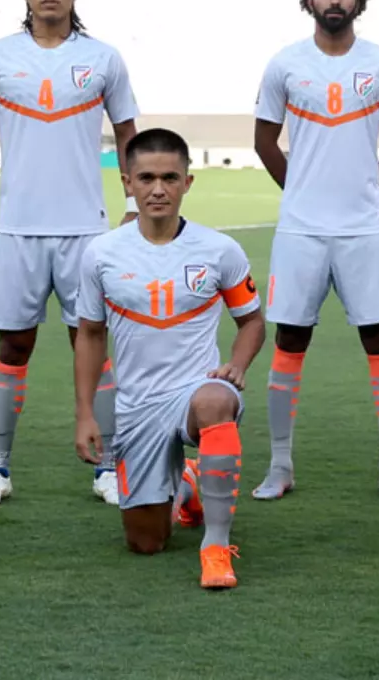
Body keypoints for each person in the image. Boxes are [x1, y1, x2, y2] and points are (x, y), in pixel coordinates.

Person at [0, 0, 139, 508]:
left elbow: (128, 133)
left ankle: (108, 467)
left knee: (91, 344)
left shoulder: (103, 58)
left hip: (87, 231)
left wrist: (133, 204)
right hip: (18, 229)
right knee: (13, 345)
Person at [252, 0, 379, 501]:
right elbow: (264, 140)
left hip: (364, 229)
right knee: (290, 338)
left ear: (359, 1)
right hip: (301, 229)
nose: (335, 0)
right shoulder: (284, 64)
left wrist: (366, 188)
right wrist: (300, 191)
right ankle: (279, 465)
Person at [74, 128, 265, 589]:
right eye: (146, 178)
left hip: (197, 390)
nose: (158, 189)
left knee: (216, 402)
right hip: (137, 405)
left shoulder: (219, 250)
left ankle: (216, 547)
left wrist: (237, 366)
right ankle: (188, 484)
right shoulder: (101, 253)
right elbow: (90, 334)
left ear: (187, 183)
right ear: (127, 183)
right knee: (146, 542)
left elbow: (252, 322)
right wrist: (85, 414)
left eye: (169, 178)